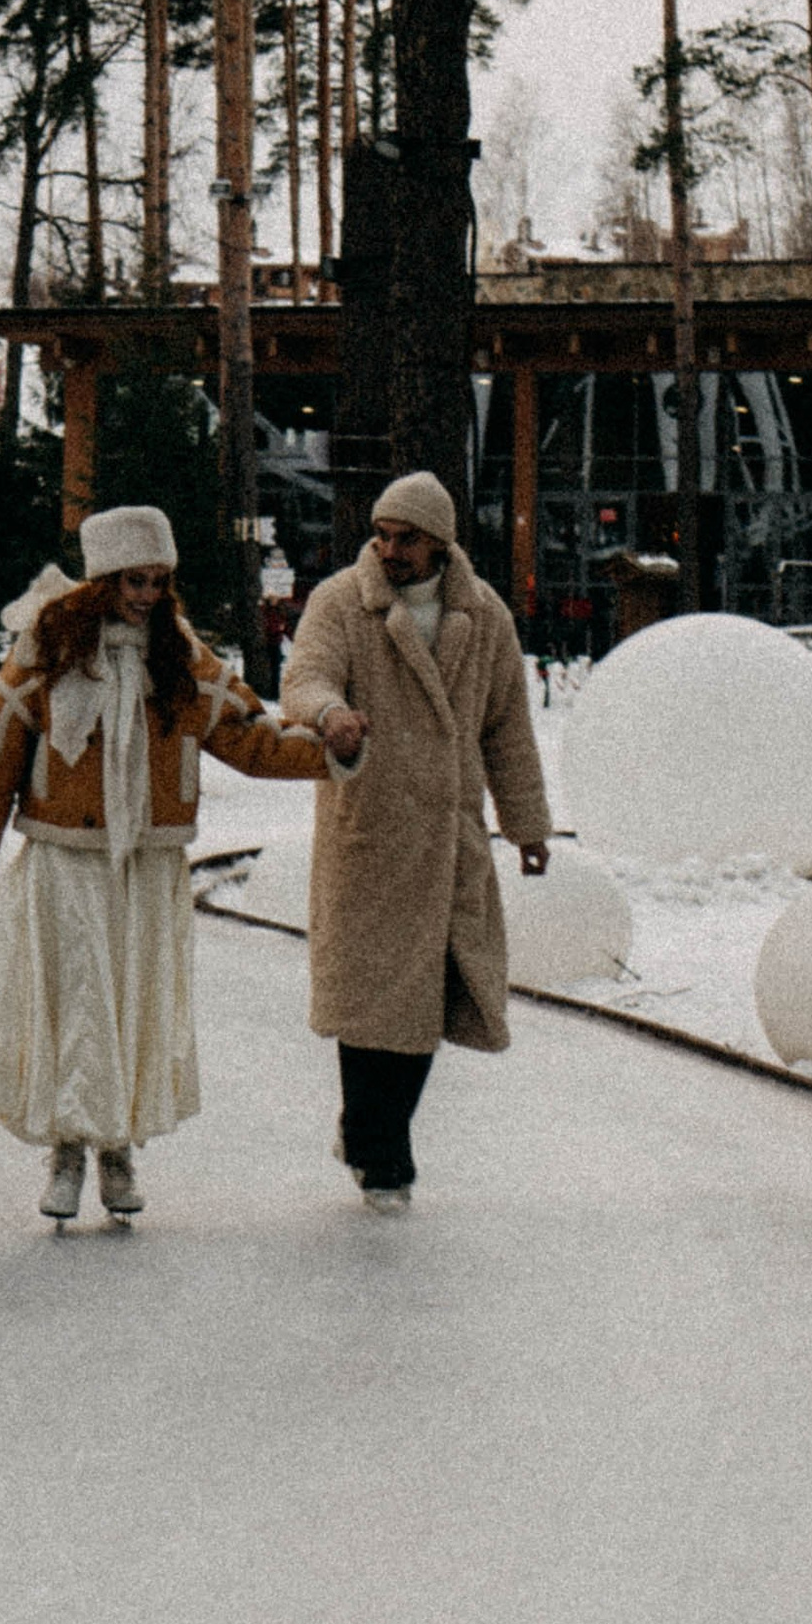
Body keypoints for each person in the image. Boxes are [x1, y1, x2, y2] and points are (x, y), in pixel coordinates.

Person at [0, 505, 347, 1225]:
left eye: (159, 581)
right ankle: (67, 1149)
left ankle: (117, 1146)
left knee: (130, 1004)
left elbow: (250, 736)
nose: (147, 595)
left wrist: (331, 752)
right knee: (76, 1004)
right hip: (67, 859)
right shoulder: (48, 650)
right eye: (134, 580)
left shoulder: (182, 658)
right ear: (102, 579)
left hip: (149, 864)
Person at [279, 470, 552, 1207]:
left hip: (447, 837)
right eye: (383, 535)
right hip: (369, 831)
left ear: (440, 543)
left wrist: (527, 826)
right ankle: (383, 1155)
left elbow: (507, 729)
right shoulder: (343, 602)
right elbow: (303, 678)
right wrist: (331, 714)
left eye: (407, 538)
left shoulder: (484, 615)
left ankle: (370, 1130)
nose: (390, 550)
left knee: (428, 1003)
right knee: (371, 1002)